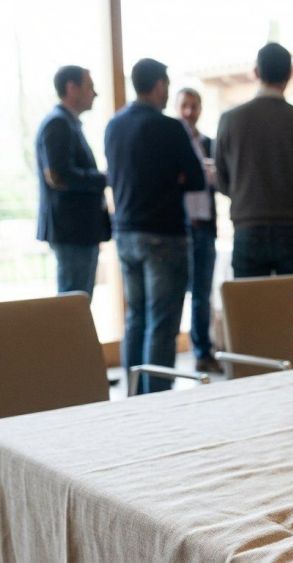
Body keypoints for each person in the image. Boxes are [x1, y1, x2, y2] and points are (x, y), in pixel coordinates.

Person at [105, 58, 205, 394]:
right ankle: (157, 400)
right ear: (159, 85)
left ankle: (134, 395)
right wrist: (174, 177)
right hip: (164, 233)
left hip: (125, 233)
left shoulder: (113, 125)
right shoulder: (169, 127)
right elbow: (196, 178)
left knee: (135, 318)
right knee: (162, 322)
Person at [215, 42, 293, 277]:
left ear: (256, 72)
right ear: (290, 73)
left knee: (251, 299)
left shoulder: (230, 120)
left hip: (248, 224)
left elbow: (222, 180)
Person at [35, 65, 110, 299]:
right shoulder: (58, 123)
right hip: (72, 230)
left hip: (77, 230)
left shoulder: (66, 123)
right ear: (71, 88)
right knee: (73, 305)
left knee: (78, 302)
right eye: (90, 87)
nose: (95, 93)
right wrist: (104, 178)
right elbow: (58, 175)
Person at [176, 87, 222, 373]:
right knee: (176, 292)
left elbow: (220, 181)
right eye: (185, 105)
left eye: (194, 106)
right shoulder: (172, 142)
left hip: (205, 226)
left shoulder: (209, 144)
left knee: (202, 294)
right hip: (179, 229)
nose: (189, 111)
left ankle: (203, 351)